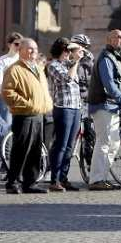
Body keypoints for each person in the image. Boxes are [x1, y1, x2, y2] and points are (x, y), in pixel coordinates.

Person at [1, 38, 53, 194]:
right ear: (20, 50)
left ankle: (30, 182)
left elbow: (44, 90)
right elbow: (7, 92)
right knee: (20, 150)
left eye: (35, 49)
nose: (33, 51)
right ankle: (12, 182)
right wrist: (27, 103)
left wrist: (47, 103)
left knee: (36, 150)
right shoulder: (14, 69)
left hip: (38, 114)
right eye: (29, 49)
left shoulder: (38, 67)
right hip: (24, 114)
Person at [87, 30, 121, 191]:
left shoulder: (115, 57)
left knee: (114, 143)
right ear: (109, 40)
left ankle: (102, 177)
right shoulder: (106, 58)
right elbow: (109, 85)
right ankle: (96, 179)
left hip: (111, 106)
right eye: (118, 37)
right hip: (103, 104)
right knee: (104, 142)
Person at [45, 38, 83, 192]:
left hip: (75, 108)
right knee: (60, 144)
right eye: (68, 50)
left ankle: (63, 177)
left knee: (70, 146)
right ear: (62, 50)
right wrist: (75, 62)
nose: (70, 53)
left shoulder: (69, 64)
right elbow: (67, 79)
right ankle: (54, 179)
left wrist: (76, 59)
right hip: (63, 108)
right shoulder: (53, 65)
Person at [0, 32, 22, 129]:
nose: (19, 47)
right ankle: (3, 145)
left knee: (19, 127)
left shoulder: (23, 60)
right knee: (6, 126)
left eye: (21, 44)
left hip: (21, 97)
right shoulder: (1, 61)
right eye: (16, 44)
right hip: (6, 97)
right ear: (9, 45)